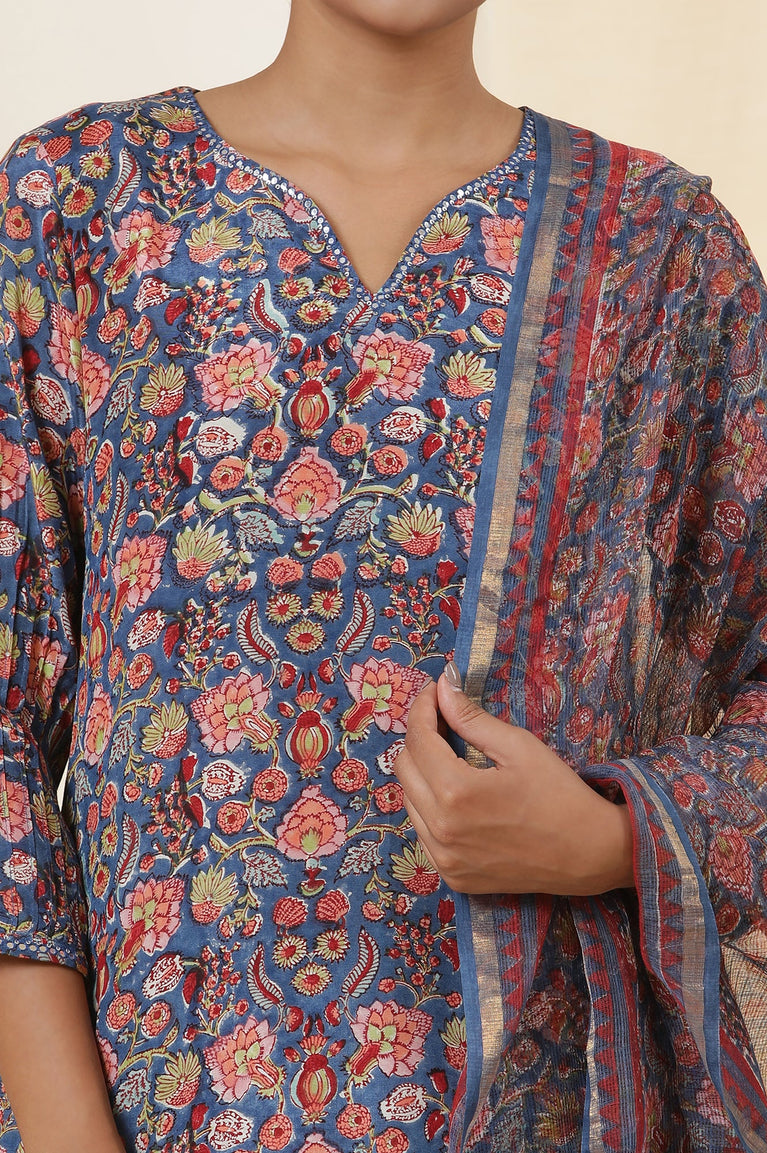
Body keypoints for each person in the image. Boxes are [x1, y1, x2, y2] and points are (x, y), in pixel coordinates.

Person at [0, 1, 765, 1151]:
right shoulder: (80, 205)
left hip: (547, 1113)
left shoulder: (659, 252)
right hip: (168, 1113)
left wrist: (608, 838)